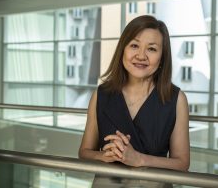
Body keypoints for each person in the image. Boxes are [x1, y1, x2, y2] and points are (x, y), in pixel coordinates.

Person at [79, 15, 190, 172]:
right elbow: (84, 152)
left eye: (151, 49)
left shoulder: (176, 100)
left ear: (162, 57)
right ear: (123, 49)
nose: (141, 56)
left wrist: (139, 159)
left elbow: (182, 163)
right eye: (134, 46)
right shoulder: (101, 95)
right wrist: (102, 156)